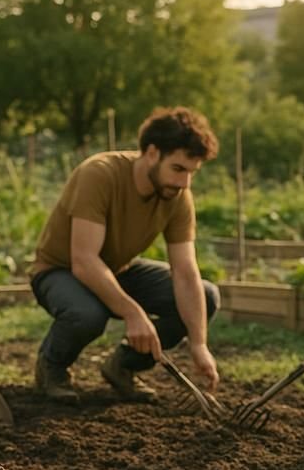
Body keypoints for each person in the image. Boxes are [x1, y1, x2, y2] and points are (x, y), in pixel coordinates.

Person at [29, 106, 221, 403]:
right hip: (59, 270)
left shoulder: (177, 195)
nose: (185, 183)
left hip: (116, 269)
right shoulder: (100, 174)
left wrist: (199, 344)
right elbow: (83, 261)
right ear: (153, 153)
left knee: (204, 296)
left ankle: (123, 365)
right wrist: (133, 313)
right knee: (87, 314)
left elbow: (186, 272)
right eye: (179, 169)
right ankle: (52, 366)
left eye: (192, 173)